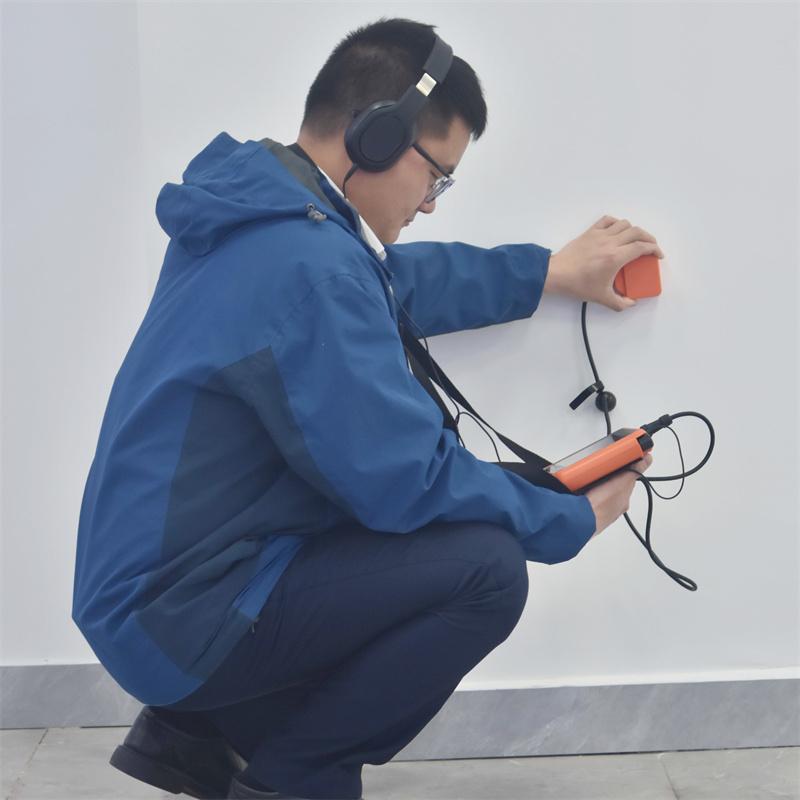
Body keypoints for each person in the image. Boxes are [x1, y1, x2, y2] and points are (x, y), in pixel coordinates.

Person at [72, 17, 662, 800]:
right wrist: (567, 517)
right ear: (379, 138)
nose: (432, 205)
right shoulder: (308, 265)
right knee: (484, 570)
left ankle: (204, 731)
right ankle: (296, 778)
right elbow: (406, 480)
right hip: (180, 615)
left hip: (156, 595)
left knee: (393, 528)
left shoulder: (271, 220)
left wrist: (546, 271)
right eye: (438, 177)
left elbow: (391, 283)